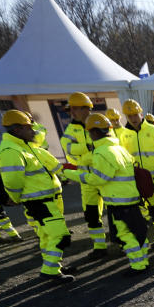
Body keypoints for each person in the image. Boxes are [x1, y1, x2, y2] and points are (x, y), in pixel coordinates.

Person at [62, 113, 151, 276]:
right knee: (139, 231)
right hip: (131, 199)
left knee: (126, 234)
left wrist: (71, 174)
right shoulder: (119, 149)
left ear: (94, 132)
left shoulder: (102, 152)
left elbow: (98, 179)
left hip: (118, 202)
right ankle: (143, 261)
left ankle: (138, 266)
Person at [0, 110, 74, 283]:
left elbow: (46, 161)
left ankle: (54, 266)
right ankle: (50, 270)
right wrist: (15, 198)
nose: (33, 131)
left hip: (45, 201)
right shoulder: (11, 150)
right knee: (61, 236)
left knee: (47, 236)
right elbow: (13, 181)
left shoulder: (25, 145)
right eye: (29, 127)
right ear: (17, 130)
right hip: (39, 202)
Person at [119, 98, 154, 248]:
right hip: (143, 181)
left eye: (135, 115)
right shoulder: (125, 135)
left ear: (141, 113)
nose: (133, 118)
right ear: (126, 116)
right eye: (130, 116)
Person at [61, 91, 109, 257]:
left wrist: (84, 153)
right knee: (91, 214)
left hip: (106, 177)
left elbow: (109, 145)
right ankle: (100, 247)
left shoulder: (100, 122)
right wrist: (89, 149)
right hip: (87, 180)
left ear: (87, 108)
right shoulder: (70, 129)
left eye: (75, 108)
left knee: (119, 211)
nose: (72, 112)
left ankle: (125, 243)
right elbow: (69, 151)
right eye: (71, 109)